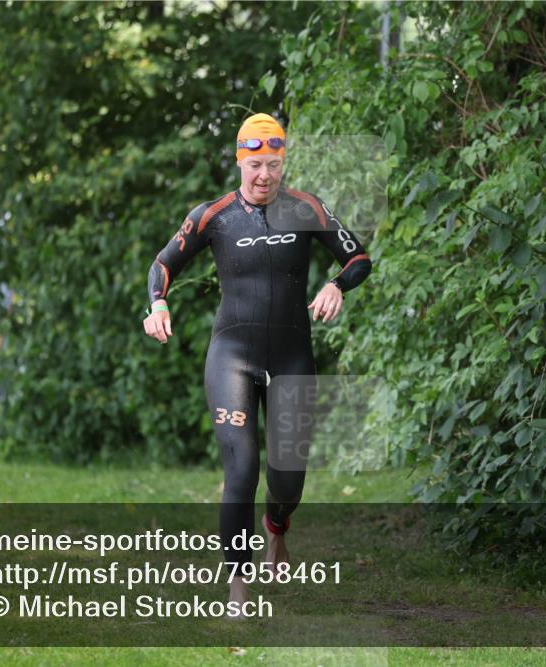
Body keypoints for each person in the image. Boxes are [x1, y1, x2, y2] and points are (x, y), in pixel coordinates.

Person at [142, 113, 373, 615]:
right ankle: (238, 589)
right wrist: (157, 304)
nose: (264, 175)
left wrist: (336, 284)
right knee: (241, 470)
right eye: (255, 166)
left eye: (272, 165)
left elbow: (358, 259)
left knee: (287, 477)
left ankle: (278, 528)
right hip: (233, 357)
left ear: (283, 162)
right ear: (239, 162)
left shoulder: (306, 208)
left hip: (292, 356)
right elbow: (162, 265)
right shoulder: (214, 216)